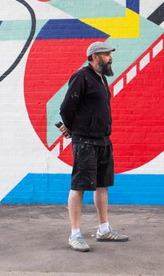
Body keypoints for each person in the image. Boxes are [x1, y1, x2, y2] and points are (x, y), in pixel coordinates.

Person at [59, 41, 129, 252]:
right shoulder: (82, 77)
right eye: (107, 54)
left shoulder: (101, 79)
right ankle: (75, 234)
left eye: (110, 54)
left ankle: (104, 229)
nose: (111, 58)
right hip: (85, 141)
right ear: (95, 56)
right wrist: (73, 129)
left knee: (102, 185)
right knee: (79, 185)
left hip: (102, 140)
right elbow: (66, 107)